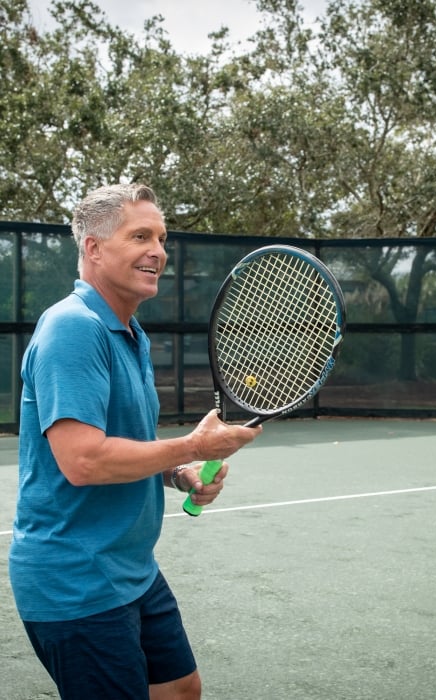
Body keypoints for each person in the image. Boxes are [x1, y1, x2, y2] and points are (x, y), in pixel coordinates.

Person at [8, 183, 261, 700]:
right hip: (77, 580)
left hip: (131, 568)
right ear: (94, 248)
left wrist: (176, 471)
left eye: (162, 238)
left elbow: (124, 443)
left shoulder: (128, 331)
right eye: (140, 235)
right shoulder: (73, 329)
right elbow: (82, 461)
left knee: (180, 689)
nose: (158, 251)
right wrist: (192, 448)